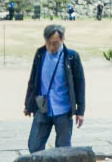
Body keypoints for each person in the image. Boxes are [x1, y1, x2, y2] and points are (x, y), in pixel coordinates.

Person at [23, 24, 85, 152]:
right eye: (48, 43)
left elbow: (80, 84)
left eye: (55, 43)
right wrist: (28, 105)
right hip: (43, 108)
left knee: (63, 150)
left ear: (63, 40)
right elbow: (33, 81)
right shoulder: (40, 54)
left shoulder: (72, 57)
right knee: (34, 146)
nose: (51, 47)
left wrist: (80, 111)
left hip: (63, 109)